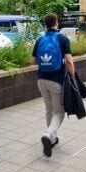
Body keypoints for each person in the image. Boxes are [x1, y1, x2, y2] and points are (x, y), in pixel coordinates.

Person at [32, 13, 75, 158]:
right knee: (59, 111)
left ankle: (51, 139)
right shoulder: (62, 38)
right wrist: (73, 76)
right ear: (56, 23)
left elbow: (33, 61)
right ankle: (48, 134)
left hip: (41, 80)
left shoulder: (40, 39)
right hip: (56, 80)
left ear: (45, 24)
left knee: (49, 109)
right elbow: (69, 60)